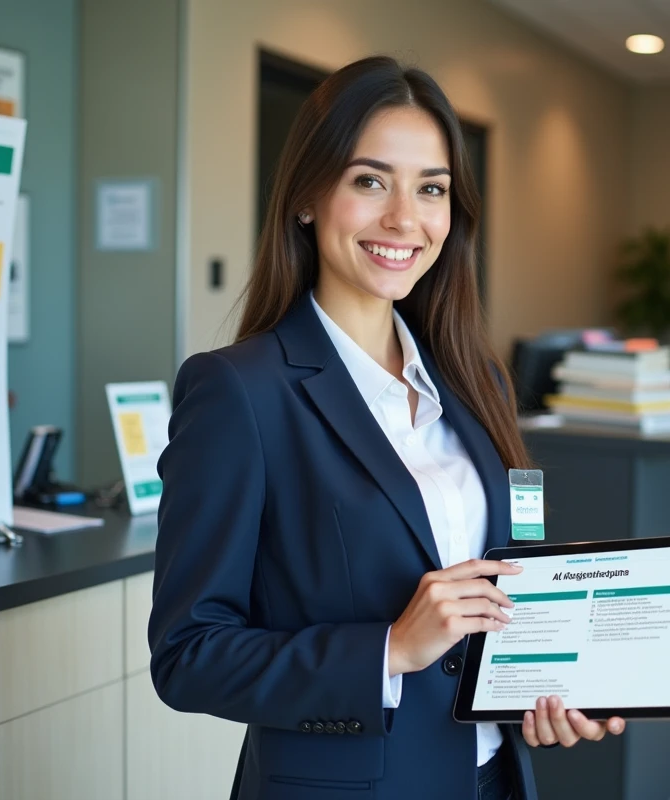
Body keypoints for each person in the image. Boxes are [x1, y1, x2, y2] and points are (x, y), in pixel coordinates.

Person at [148, 55, 625, 800]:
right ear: (308, 196)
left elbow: (508, 577)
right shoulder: (239, 391)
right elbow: (188, 655)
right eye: (370, 181)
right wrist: (390, 650)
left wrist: (555, 672)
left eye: (430, 189)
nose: (405, 219)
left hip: (494, 779)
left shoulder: (477, 378)